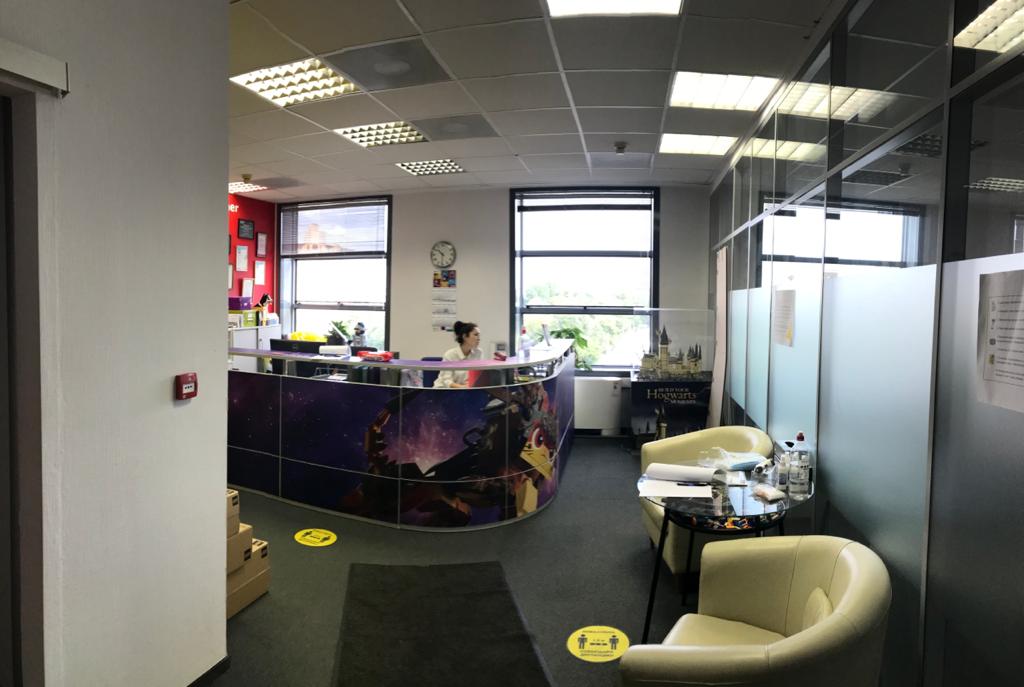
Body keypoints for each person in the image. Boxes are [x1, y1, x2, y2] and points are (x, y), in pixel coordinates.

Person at [434, 321, 482, 388]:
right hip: (445, 390)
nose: (479, 338)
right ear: (465, 336)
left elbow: (477, 377)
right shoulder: (450, 354)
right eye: (476, 335)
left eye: (479, 335)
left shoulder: (478, 352)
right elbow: (446, 381)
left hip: (466, 390)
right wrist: (463, 387)